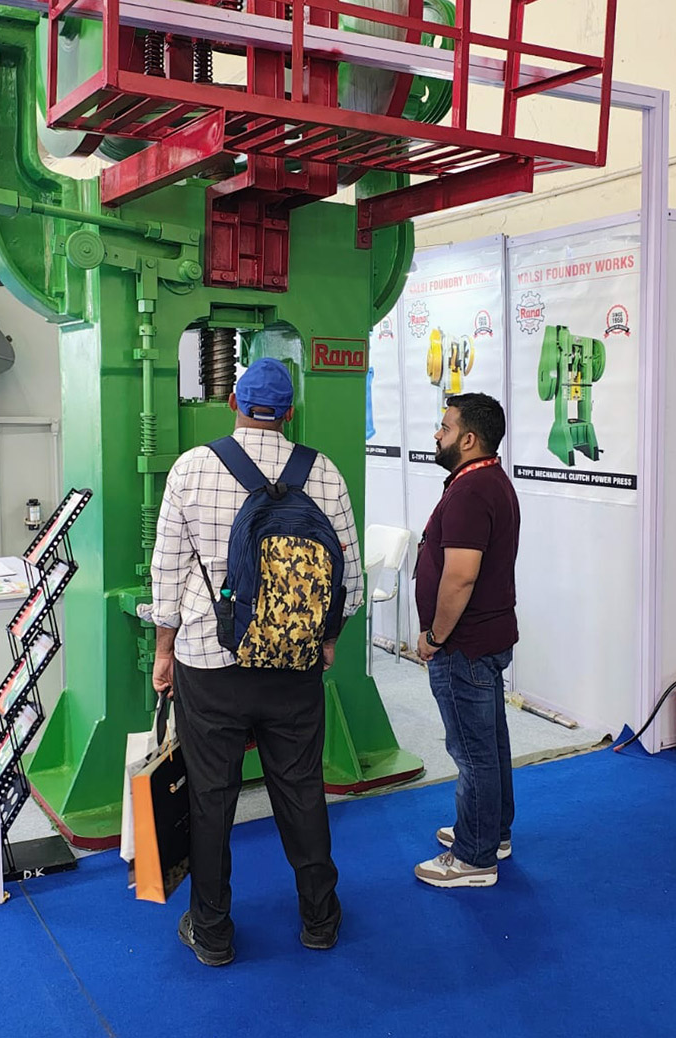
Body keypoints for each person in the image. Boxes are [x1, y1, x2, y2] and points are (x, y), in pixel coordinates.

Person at [148, 357, 363, 965]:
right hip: (294, 663)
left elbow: (167, 571)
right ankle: (320, 919)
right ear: (289, 412)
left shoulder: (193, 468)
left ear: (233, 404)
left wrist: (163, 651)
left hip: (208, 660)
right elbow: (347, 577)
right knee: (301, 790)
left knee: (210, 797)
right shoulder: (322, 471)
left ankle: (212, 931)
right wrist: (326, 639)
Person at [413, 393, 520, 889]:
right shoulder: (489, 481)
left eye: (446, 427)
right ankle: (491, 833)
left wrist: (435, 636)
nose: (438, 434)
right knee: (490, 745)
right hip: (486, 638)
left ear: (470, 439)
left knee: (472, 752)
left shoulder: (471, 492)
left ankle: (474, 858)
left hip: (465, 646)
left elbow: (460, 576)